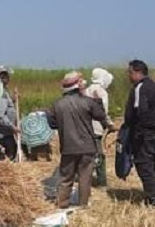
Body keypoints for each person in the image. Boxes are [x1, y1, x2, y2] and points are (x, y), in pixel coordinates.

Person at [45, 71, 115, 209]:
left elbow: (52, 123)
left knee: (66, 178)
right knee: (85, 177)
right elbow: (101, 116)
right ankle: (83, 205)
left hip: (68, 147)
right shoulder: (88, 102)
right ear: (78, 86)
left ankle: (62, 204)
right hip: (87, 147)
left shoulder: (57, 105)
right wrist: (98, 102)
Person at [124, 59, 155, 206]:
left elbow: (140, 111)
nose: (129, 76)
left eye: (130, 72)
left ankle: (153, 199)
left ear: (137, 72)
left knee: (144, 165)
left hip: (144, 134)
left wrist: (135, 131)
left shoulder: (140, 88)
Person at [83, 67, 115, 187]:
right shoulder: (102, 92)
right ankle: (101, 183)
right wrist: (110, 125)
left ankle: (84, 179)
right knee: (99, 155)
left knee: (86, 154)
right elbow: (103, 113)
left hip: (84, 128)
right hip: (96, 128)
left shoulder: (86, 91)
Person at [0, 66, 20, 161]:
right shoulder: (0, 92)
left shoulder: (4, 92)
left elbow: (7, 107)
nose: (7, 79)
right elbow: (0, 116)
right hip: (3, 134)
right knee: (9, 157)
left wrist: (13, 100)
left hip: (6, 132)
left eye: (7, 77)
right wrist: (12, 127)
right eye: (3, 77)